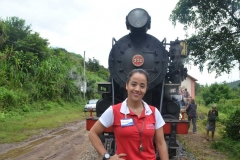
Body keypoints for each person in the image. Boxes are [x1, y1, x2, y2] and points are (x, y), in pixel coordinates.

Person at [88, 69, 169, 160]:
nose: (137, 89)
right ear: (127, 85)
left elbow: (161, 143)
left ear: (146, 89)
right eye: (133, 84)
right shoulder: (114, 110)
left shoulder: (154, 112)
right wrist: (107, 157)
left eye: (142, 86)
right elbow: (92, 133)